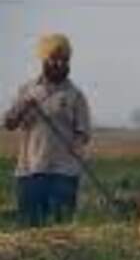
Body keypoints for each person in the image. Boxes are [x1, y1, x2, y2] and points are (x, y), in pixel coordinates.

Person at [3, 34, 91, 227]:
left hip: (64, 174)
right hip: (31, 170)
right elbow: (9, 124)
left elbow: (83, 133)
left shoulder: (75, 95)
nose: (59, 64)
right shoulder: (27, 90)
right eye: (54, 59)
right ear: (44, 61)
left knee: (62, 230)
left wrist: (74, 147)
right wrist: (24, 106)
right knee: (30, 229)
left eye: (64, 60)